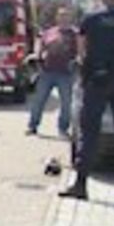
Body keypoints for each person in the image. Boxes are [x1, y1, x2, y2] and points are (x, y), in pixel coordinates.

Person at [60, 0, 114, 200]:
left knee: (89, 135)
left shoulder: (92, 20)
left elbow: (81, 53)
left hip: (97, 82)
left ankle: (80, 185)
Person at [27, 8, 77, 137]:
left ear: (70, 18)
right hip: (47, 71)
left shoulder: (75, 33)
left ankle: (63, 129)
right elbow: (39, 44)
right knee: (39, 100)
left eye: (66, 16)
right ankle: (32, 126)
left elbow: (81, 50)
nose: (63, 18)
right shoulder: (49, 32)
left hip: (66, 73)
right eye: (61, 16)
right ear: (57, 18)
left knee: (66, 103)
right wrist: (37, 55)